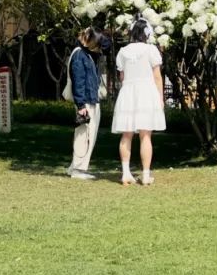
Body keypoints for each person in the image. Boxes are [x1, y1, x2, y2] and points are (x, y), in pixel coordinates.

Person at [112, 18, 166, 185]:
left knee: (126, 134)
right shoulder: (151, 50)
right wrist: (160, 98)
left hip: (128, 92)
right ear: (147, 33)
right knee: (145, 135)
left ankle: (126, 173)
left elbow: (122, 77)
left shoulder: (123, 51)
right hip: (146, 92)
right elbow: (157, 77)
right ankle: (145, 174)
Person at [67, 27, 105, 180]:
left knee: (85, 134)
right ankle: (78, 168)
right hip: (86, 101)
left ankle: (75, 167)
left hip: (90, 99)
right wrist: (81, 105)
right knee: (84, 135)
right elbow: (78, 81)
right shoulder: (80, 55)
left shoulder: (85, 54)